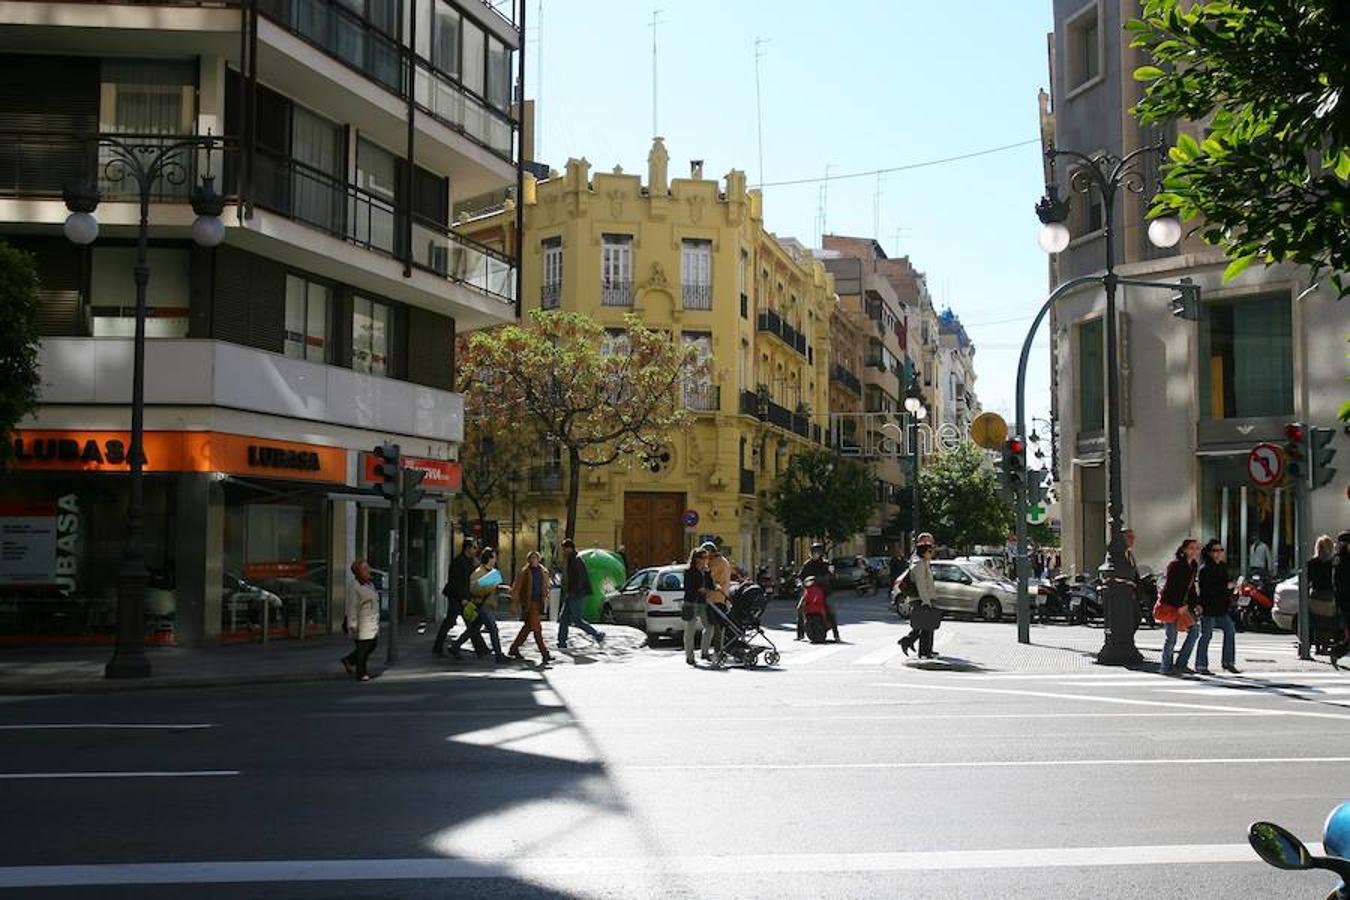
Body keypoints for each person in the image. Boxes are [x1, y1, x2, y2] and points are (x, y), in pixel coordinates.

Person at [450, 548, 508, 663]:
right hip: (482, 605)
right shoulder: (478, 572)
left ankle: (455, 646)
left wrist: (501, 588)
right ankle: (499, 655)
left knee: (473, 629)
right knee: (493, 628)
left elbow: (492, 587)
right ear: (489, 558)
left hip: (487, 604)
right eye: (494, 557)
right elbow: (474, 589)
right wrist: (489, 585)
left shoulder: (491, 572)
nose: (495, 560)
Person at [433, 539, 488, 657]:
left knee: (471, 622)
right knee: (450, 621)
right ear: (467, 548)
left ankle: (480, 648)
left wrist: (477, 566)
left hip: (464, 596)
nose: (475, 550)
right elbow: (456, 582)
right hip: (456, 597)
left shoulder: (470, 561)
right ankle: (438, 647)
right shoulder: (458, 562)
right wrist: (463, 598)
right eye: (473, 547)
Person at [1194, 539, 1239, 676]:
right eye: (1215, 551)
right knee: (1206, 635)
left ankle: (1228, 662)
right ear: (1209, 553)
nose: (1218, 553)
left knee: (1230, 631)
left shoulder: (1223, 567)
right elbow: (1206, 590)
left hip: (1222, 607)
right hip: (1208, 607)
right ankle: (1201, 665)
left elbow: (1225, 585)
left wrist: (1233, 589)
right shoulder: (1205, 569)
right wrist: (1226, 587)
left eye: (1220, 550)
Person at [1158, 538, 1202, 675]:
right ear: (1184, 550)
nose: (1194, 551)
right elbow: (1170, 588)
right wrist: (1179, 605)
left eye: (1196, 548)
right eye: (1191, 548)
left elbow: (1191, 589)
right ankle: (1166, 667)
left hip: (1184, 606)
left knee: (1194, 631)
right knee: (1171, 637)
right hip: (1170, 605)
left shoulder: (1193, 565)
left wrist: (1196, 603)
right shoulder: (1175, 565)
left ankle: (1181, 663)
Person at [558, 538, 605, 649]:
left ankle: (597, 634)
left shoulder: (576, 560)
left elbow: (580, 579)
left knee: (577, 620)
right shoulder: (571, 560)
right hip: (572, 593)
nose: (563, 552)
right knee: (563, 618)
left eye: (564, 549)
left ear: (570, 549)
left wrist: (574, 592)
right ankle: (561, 642)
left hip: (576, 594)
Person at [508, 551, 553, 665]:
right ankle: (544, 653)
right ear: (529, 560)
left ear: (539, 559)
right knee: (537, 628)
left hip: (538, 602)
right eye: (532, 558)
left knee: (528, 627)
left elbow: (546, 584)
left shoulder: (542, 571)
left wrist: (546, 595)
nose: (534, 560)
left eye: (536, 558)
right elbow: (517, 588)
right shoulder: (525, 572)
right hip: (529, 603)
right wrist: (514, 604)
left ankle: (514, 648)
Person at [898, 537, 938, 658]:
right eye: (930, 551)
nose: (932, 554)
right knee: (926, 626)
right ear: (924, 552)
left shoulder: (924, 563)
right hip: (920, 600)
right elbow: (921, 585)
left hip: (924, 598)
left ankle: (917, 646)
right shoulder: (919, 565)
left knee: (924, 626)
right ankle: (924, 651)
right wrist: (926, 602)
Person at [341, 558, 380, 682]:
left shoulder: (369, 584)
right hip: (362, 623)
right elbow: (352, 607)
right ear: (358, 572)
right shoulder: (355, 587)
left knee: (372, 644)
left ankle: (348, 660)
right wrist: (352, 625)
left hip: (371, 622)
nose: (367, 570)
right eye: (364, 569)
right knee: (363, 649)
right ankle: (361, 673)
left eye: (367, 568)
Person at [796, 543, 839, 642]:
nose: (815, 554)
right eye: (813, 552)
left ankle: (836, 634)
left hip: (824, 591)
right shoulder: (807, 564)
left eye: (817, 552)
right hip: (809, 591)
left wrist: (828, 578)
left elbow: (832, 575)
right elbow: (800, 576)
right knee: (800, 608)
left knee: (830, 609)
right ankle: (800, 634)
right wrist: (799, 583)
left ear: (821, 553)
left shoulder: (826, 564)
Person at [682, 547, 713, 666]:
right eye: (703, 558)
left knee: (709, 626)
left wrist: (714, 588)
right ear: (696, 559)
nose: (706, 560)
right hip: (691, 602)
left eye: (706, 557)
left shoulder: (706, 571)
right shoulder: (689, 571)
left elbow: (710, 585)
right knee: (690, 630)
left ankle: (704, 652)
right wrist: (699, 590)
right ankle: (689, 656)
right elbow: (688, 588)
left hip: (703, 602)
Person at [702, 542, 732, 660]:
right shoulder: (723, 561)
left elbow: (710, 578)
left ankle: (713, 651)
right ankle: (718, 650)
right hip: (722, 597)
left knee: (712, 626)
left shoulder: (716, 563)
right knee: (719, 626)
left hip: (714, 598)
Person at [1332, 531, 1350, 668]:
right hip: (1346, 601)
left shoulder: (1339, 559)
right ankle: (1337, 651)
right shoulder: (1341, 561)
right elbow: (1339, 584)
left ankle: (1337, 652)